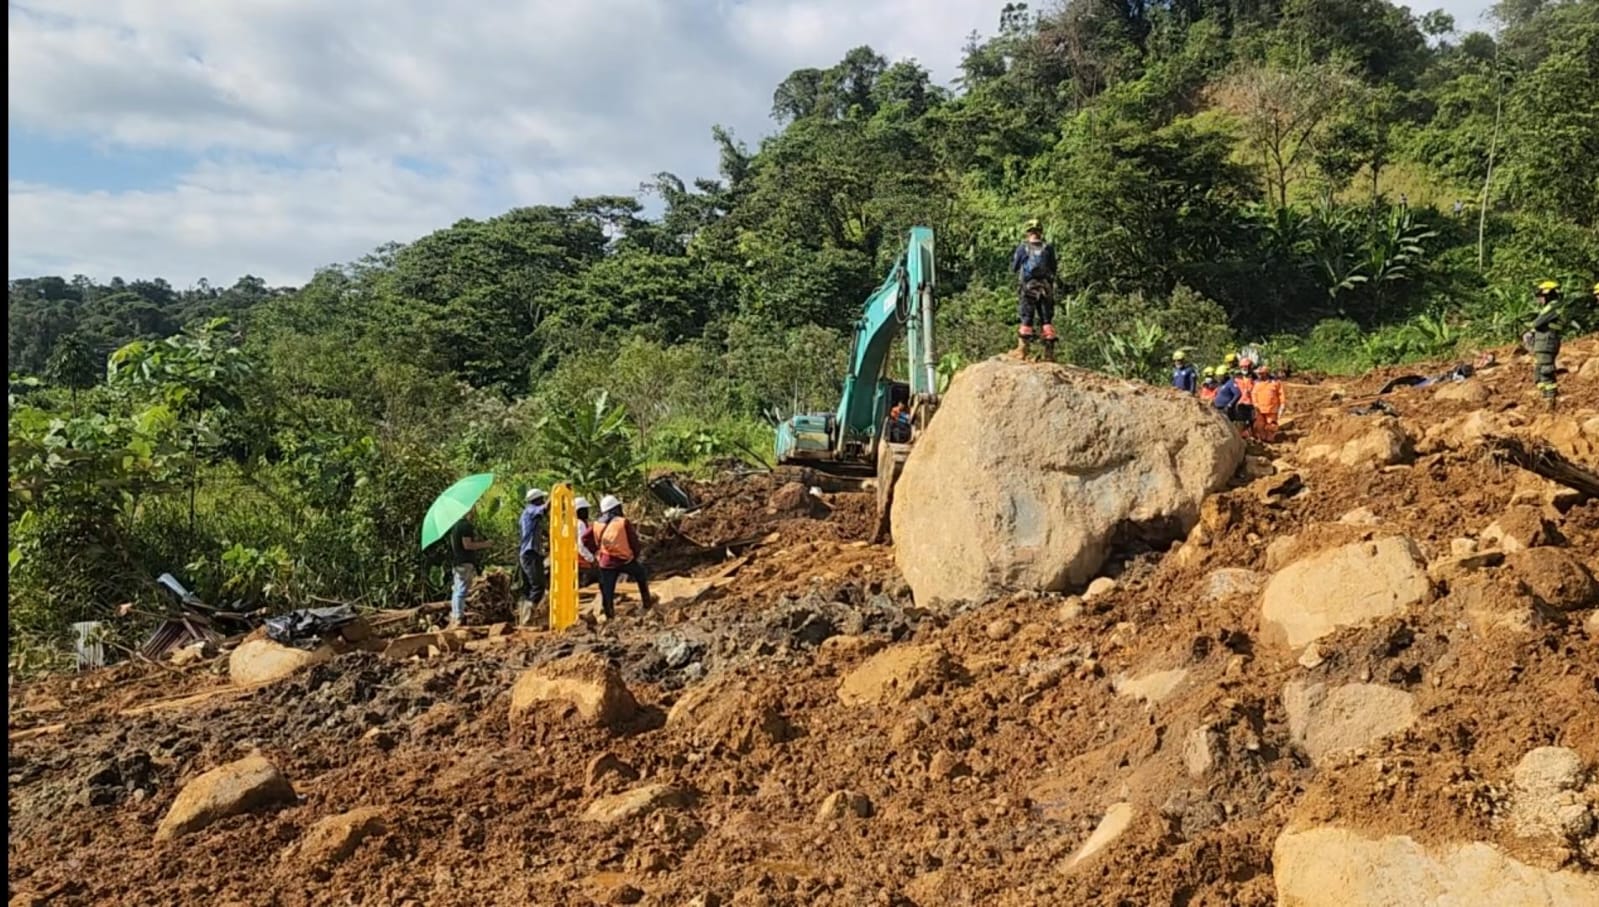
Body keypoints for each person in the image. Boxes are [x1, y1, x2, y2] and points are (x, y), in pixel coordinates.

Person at [595, 494, 653, 621]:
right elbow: (633, 540)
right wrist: (635, 555)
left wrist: (597, 552)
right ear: (616, 508)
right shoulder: (622, 522)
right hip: (625, 560)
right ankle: (647, 603)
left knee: (607, 590)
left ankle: (609, 615)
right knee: (641, 574)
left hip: (606, 562)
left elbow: (586, 538)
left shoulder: (596, 524)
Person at [1008, 220, 1060, 362]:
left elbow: (1014, 268)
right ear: (1041, 232)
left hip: (1029, 287)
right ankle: (1049, 355)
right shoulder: (1048, 248)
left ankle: (1022, 351)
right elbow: (1053, 268)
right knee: (1046, 320)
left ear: (1028, 232)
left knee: (1027, 317)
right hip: (1045, 287)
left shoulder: (1023, 248)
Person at [447, 506, 493, 626]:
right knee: (461, 590)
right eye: (472, 509)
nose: (474, 511)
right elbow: (467, 545)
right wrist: (485, 544)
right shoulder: (465, 526)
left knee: (457, 589)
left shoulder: (455, 526)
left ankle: (455, 614)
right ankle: (459, 617)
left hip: (457, 561)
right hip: (465, 562)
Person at [1524, 280, 1564, 410]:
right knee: (1538, 371)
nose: (1539, 300)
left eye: (1541, 297)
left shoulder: (1553, 307)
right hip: (1543, 342)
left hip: (1547, 342)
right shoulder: (1551, 307)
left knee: (1545, 370)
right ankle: (1546, 396)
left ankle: (1550, 399)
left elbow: (1537, 322)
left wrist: (1530, 328)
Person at [518, 488, 549, 609]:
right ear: (537, 500)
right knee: (538, 585)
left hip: (529, 553)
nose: (544, 501)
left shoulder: (529, 514)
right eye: (542, 499)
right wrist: (556, 491)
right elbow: (545, 508)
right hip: (530, 553)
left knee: (531, 587)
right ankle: (528, 614)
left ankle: (526, 613)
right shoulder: (531, 511)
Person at [1252, 367, 1285, 442]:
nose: (1259, 375)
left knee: (1271, 425)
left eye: (1261, 374)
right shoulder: (1257, 383)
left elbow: (1281, 394)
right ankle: (1263, 438)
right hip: (1259, 409)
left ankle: (1270, 438)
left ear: (1265, 374)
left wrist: (1282, 404)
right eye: (1258, 374)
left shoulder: (1275, 383)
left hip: (1272, 408)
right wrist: (1255, 404)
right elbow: (1254, 394)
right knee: (1260, 425)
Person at [574, 496, 600, 588]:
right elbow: (581, 545)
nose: (587, 512)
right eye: (585, 510)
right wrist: (591, 559)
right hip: (581, 561)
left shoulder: (571, 523)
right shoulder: (580, 524)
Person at [1232, 361, 1257, 438]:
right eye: (1242, 367)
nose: (1244, 369)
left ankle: (1252, 435)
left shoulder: (1254, 378)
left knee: (1252, 420)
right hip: (1240, 402)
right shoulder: (1237, 378)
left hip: (1251, 402)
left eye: (1246, 367)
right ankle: (1240, 438)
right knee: (1240, 421)